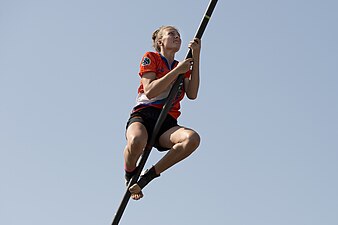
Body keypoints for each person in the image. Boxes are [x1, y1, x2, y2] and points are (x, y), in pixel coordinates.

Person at [123, 25, 201, 200]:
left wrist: (196, 56)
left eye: (179, 35)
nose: (177, 37)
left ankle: (148, 176)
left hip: (167, 121)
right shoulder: (151, 57)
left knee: (192, 139)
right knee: (136, 141)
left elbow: (192, 94)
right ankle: (129, 173)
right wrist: (176, 72)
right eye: (171, 34)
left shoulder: (180, 66)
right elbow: (150, 90)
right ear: (160, 42)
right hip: (144, 115)